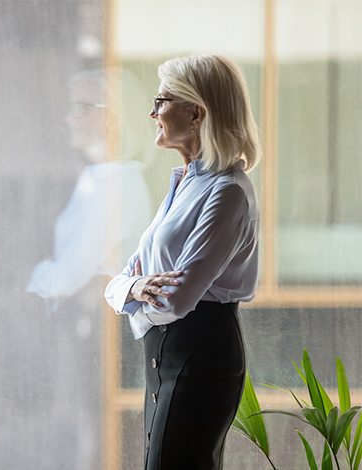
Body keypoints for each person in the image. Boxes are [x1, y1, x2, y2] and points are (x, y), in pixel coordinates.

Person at [104, 55, 261, 469]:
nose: (152, 112)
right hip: (163, 353)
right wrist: (135, 288)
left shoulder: (227, 191)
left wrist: (133, 295)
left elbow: (176, 299)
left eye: (162, 100)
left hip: (200, 354)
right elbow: (120, 280)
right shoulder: (183, 183)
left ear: (196, 114)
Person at [27, 69, 151, 312]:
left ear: (114, 115)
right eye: (72, 107)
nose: (70, 118)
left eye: (83, 107)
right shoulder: (95, 180)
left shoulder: (118, 185)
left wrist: (34, 274)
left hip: (103, 333)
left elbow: (65, 281)